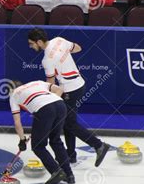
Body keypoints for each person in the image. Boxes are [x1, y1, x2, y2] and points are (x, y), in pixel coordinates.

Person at [28, 28, 110, 167]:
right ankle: (71, 155)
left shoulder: (47, 59)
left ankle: (98, 145)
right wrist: (64, 56)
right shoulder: (59, 40)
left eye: (32, 43)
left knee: (68, 123)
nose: (31, 46)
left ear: (40, 42)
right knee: (67, 120)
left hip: (70, 91)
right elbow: (77, 48)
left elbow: (51, 84)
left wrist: (47, 103)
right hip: (79, 84)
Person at [9, 79, 75, 184]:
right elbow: (59, 89)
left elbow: (17, 122)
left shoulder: (14, 94)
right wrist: (51, 104)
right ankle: (69, 175)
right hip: (60, 105)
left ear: (12, 89)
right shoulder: (37, 83)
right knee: (56, 140)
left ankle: (56, 172)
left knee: (38, 146)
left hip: (44, 109)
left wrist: (22, 140)